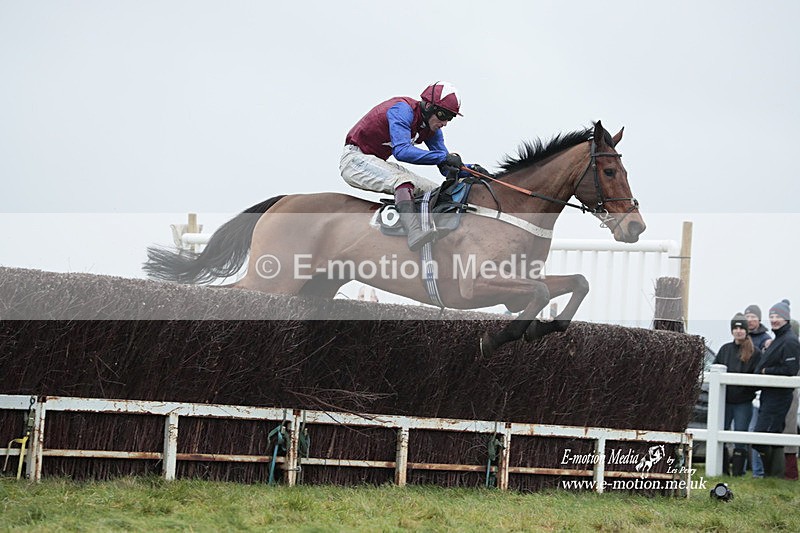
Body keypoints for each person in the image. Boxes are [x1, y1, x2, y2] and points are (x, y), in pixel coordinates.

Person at [340, 81, 486, 251]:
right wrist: (445, 157)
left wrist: (469, 170)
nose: (445, 122)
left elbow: (446, 167)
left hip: (377, 162)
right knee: (403, 180)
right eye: (443, 115)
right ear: (430, 107)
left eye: (450, 117)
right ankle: (414, 233)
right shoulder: (402, 110)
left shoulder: (432, 130)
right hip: (354, 159)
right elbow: (401, 151)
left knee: (435, 191)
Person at [753, 299, 800, 477]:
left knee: (762, 436)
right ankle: (772, 474)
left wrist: (765, 371)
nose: (774, 319)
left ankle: (774, 473)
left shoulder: (789, 341)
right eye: (772, 316)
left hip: (779, 397)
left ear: (786, 319)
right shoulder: (779, 339)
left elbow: (790, 370)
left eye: (778, 316)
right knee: (768, 435)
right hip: (769, 395)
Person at [713, 313, 762, 475]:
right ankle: (723, 471)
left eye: (742, 328)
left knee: (740, 437)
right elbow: (714, 370)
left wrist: (744, 391)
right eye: (736, 328)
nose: (739, 331)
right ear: (732, 330)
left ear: (746, 330)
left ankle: (738, 472)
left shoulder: (754, 353)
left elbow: (757, 378)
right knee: (721, 435)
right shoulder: (725, 349)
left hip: (743, 403)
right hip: (724, 401)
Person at [745, 303, 772, 477]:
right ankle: (741, 469)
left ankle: (758, 472)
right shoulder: (741, 337)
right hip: (743, 393)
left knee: (755, 432)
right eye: (747, 317)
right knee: (741, 433)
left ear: (759, 319)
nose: (750, 320)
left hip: (759, 394)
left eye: (753, 317)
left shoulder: (766, 339)